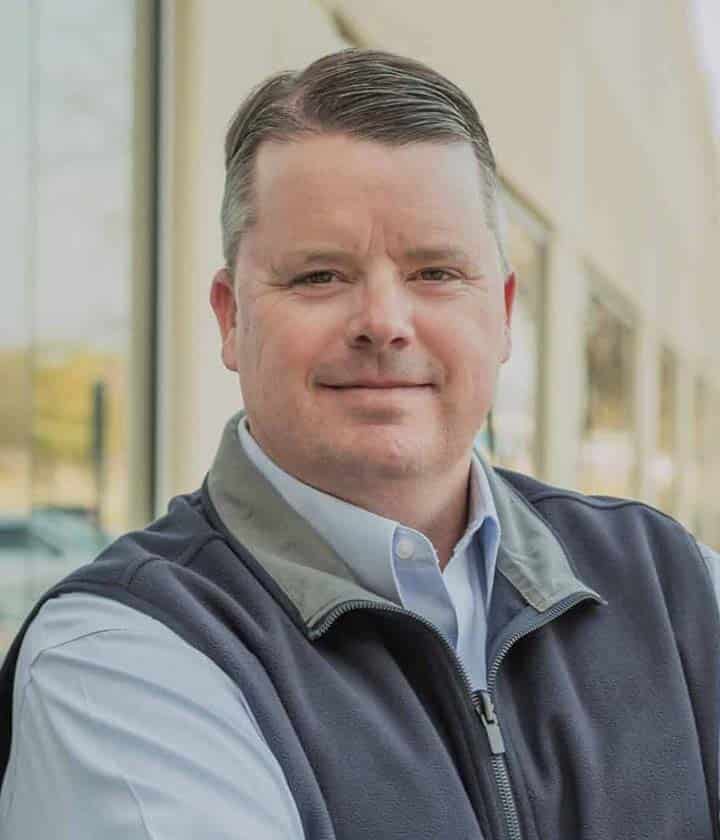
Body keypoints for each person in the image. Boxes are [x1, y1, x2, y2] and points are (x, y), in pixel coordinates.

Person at [0, 48, 718, 839]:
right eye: (319, 276)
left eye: (436, 272)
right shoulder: (122, 659)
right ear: (230, 316)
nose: (384, 321)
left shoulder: (677, 586)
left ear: (505, 311)